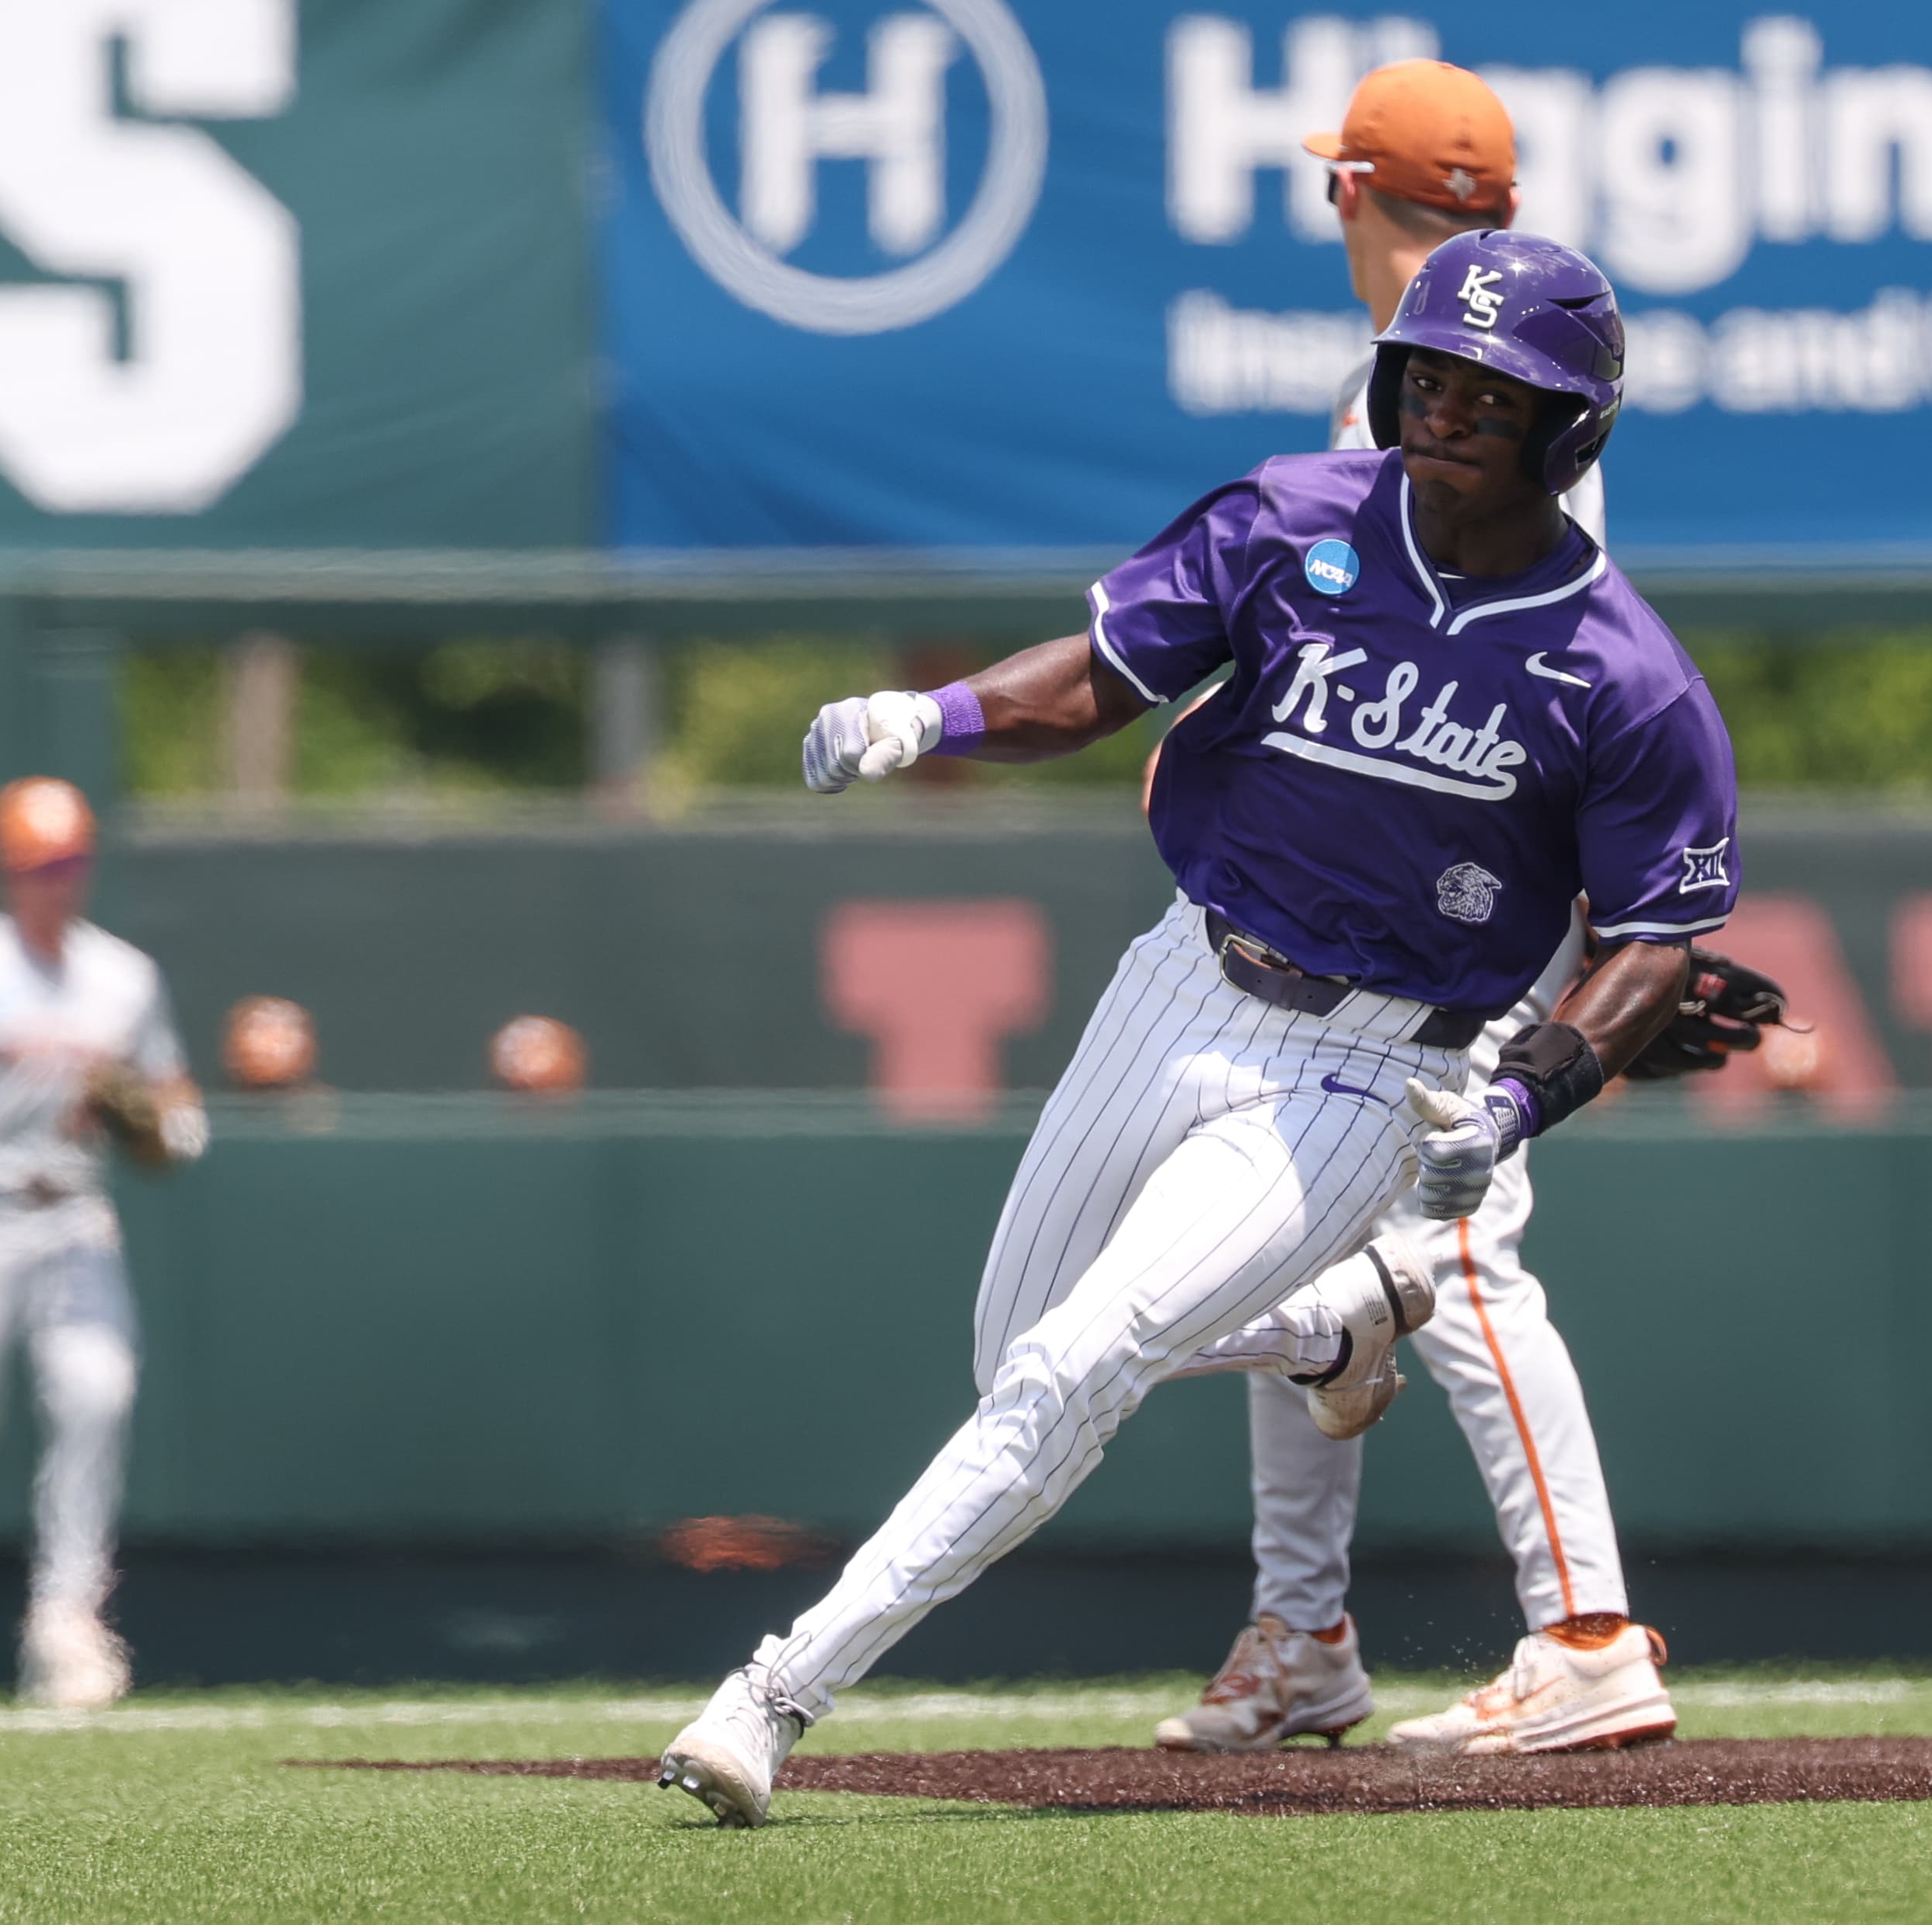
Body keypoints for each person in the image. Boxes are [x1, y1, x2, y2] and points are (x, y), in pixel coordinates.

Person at [657, 229, 1739, 1827]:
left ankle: (773, 1692)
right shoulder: (1293, 512)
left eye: (1492, 390)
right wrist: (931, 717)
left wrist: (1517, 1101)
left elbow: (1658, 942)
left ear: (1569, 424)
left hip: (1373, 1052)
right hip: (1180, 978)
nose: (1445, 406)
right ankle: (1336, 1324)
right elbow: (1105, 672)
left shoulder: (1624, 669)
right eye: (1429, 371)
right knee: (1012, 1358)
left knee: (1072, 1370)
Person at [1151, 60, 1675, 1760]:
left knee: (1456, 1242)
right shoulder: (1506, 372)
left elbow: (1525, 667)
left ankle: (1589, 1630)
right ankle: (1301, 1628)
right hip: (1431, 877)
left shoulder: (1463, 396)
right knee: (1294, 1218)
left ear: (1344, 191)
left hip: (1465, 901)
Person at [0, 777, 207, 1707]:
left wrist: (153, 1124)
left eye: (70, 862)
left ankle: (66, 1622)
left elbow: (177, 1116)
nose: (57, 880)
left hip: (69, 1213)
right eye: (38, 864)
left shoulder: (122, 976)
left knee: (98, 1391)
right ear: (6, 867)